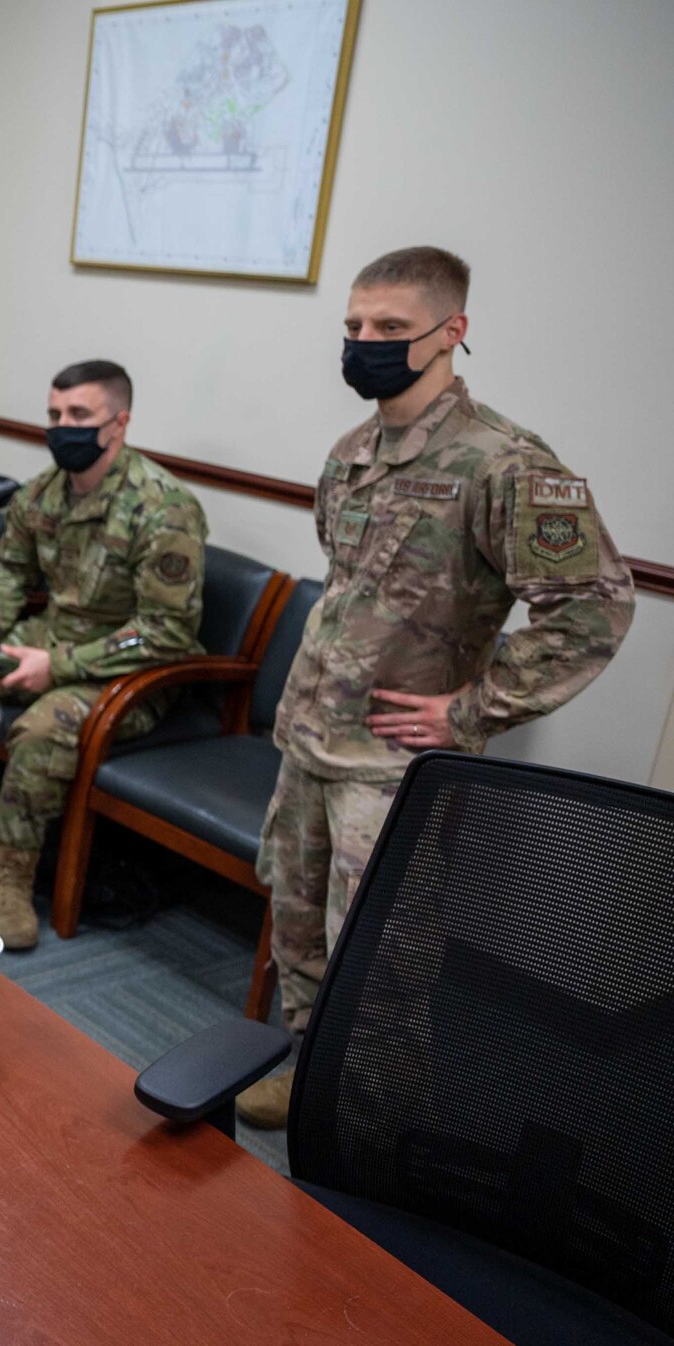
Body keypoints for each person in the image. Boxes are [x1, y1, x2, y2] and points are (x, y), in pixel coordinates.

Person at [237, 247, 635, 1129]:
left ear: (452, 332)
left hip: (391, 767)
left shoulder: (511, 466)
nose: (365, 344)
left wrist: (470, 710)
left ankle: (372, 1132)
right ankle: (310, 1074)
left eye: (389, 329)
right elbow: (352, 595)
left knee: (379, 959)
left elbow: (593, 613)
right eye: (353, 328)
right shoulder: (353, 453)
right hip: (310, 744)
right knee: (299, 930)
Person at [0, 360, 207, 950]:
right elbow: (7, 571)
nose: (61, 427)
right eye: (54, 414)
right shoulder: (41, 492)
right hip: (43, 642)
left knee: (42, 730)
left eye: (79, 415)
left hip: (128, 670)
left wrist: (63, 667)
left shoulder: (164, 507)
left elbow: (166, 631)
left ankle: (11, 875)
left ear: (118, 424)